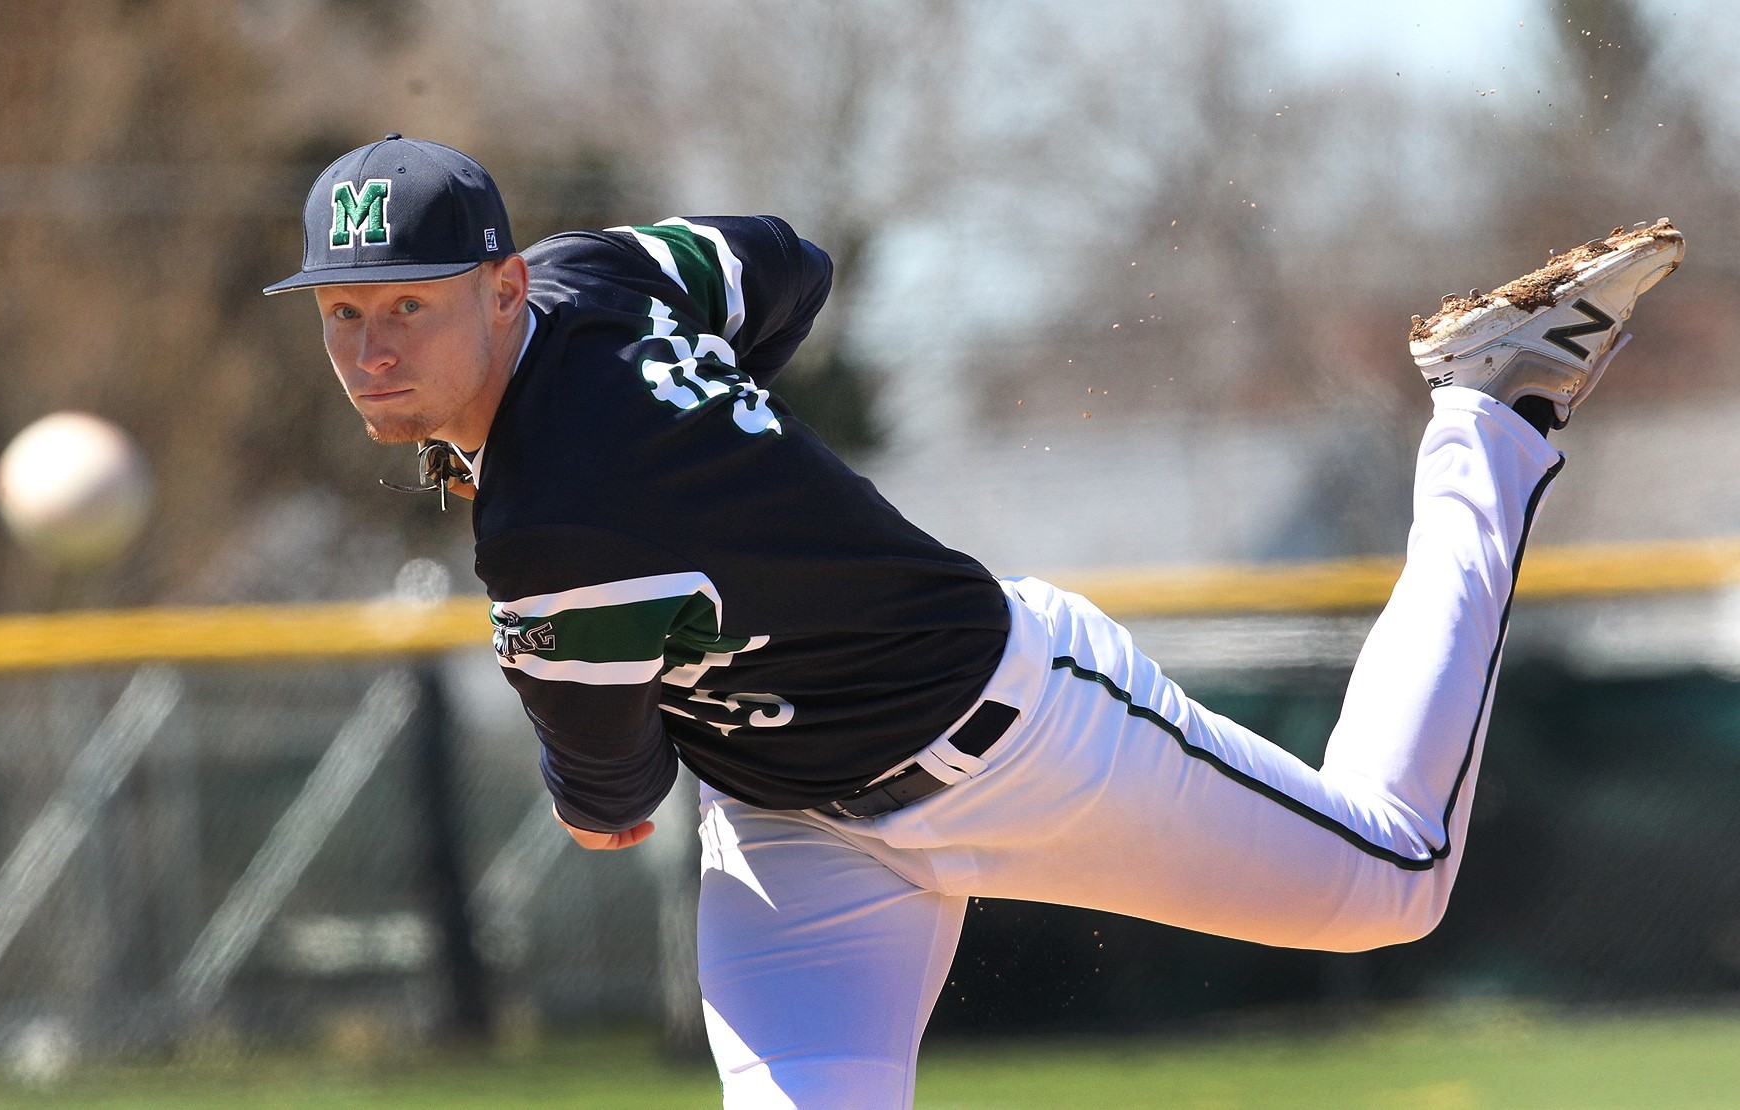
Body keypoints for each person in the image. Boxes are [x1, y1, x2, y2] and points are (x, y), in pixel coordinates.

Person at [266, 135, 1684, 1107]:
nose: (374, 351)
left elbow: (612, 806)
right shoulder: (600, 281)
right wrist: (726, 437)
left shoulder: (550, 533)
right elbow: (785, 262)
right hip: (796, 839)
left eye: (412, 307)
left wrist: (648, 555)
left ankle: (1491, 406)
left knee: (1395, 877)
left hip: (1022, 742)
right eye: (343, 317)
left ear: (502, 288)